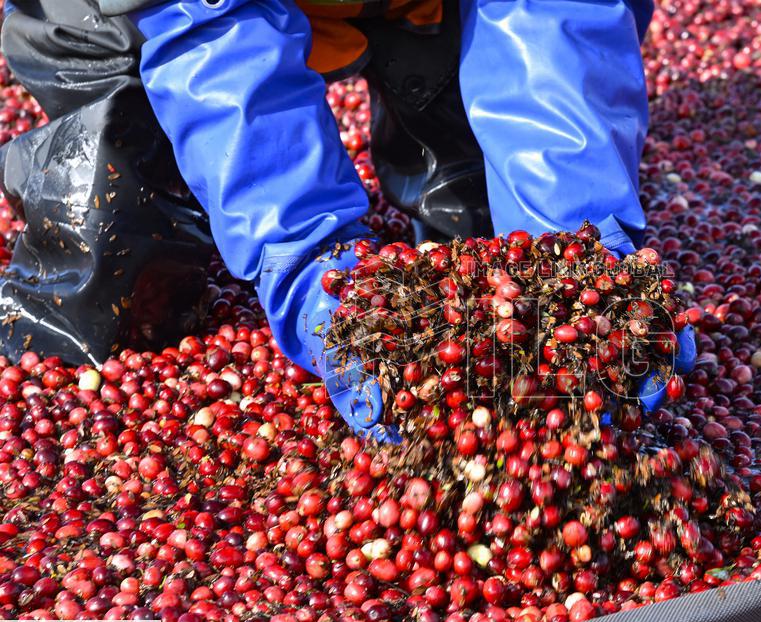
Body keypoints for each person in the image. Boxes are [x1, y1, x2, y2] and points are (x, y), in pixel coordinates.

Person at [0, 0, 694, 442]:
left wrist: (572, 236)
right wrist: (308, 258)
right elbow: (207, 33)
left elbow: (558, 10)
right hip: (146, 15)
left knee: (493, 253)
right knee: (120, 273)